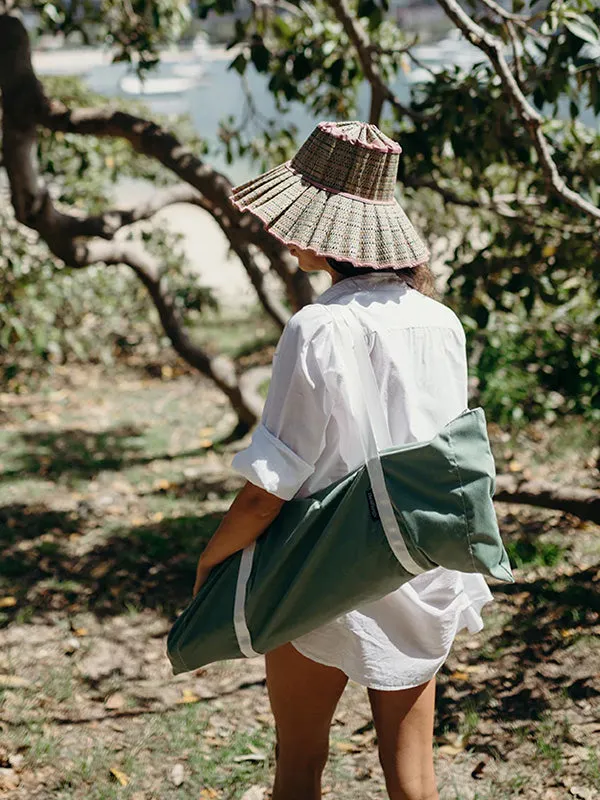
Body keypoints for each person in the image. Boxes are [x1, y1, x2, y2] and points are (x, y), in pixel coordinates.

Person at [193, 121, 493, 800]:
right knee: (414, 779)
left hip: (323, 573)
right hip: (417, 564)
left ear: (324, 229)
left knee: (299, 766)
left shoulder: (318, 327)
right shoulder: (439, 321)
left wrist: (214, 559)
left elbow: (270, 487)